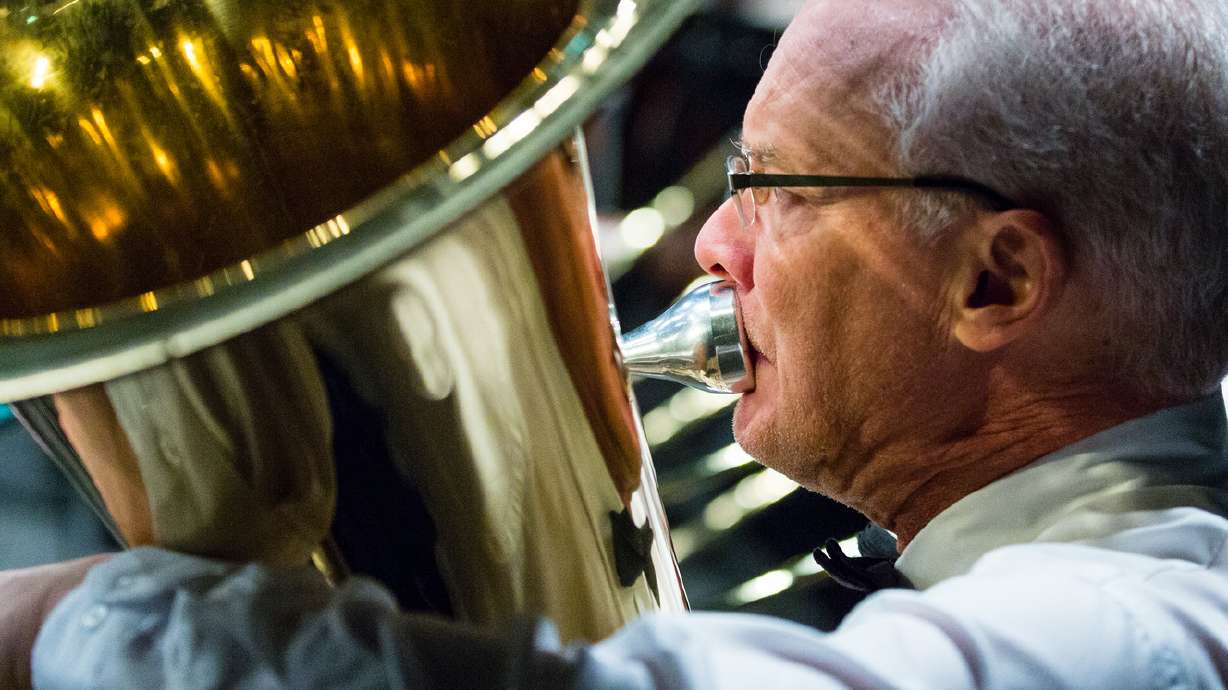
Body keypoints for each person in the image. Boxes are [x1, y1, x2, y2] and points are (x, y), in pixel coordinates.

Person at [7, 0, 1228, 686]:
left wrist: (81, 617)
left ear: (994, 278)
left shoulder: (1135, 629)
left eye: (775, 189)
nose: (712, 243)